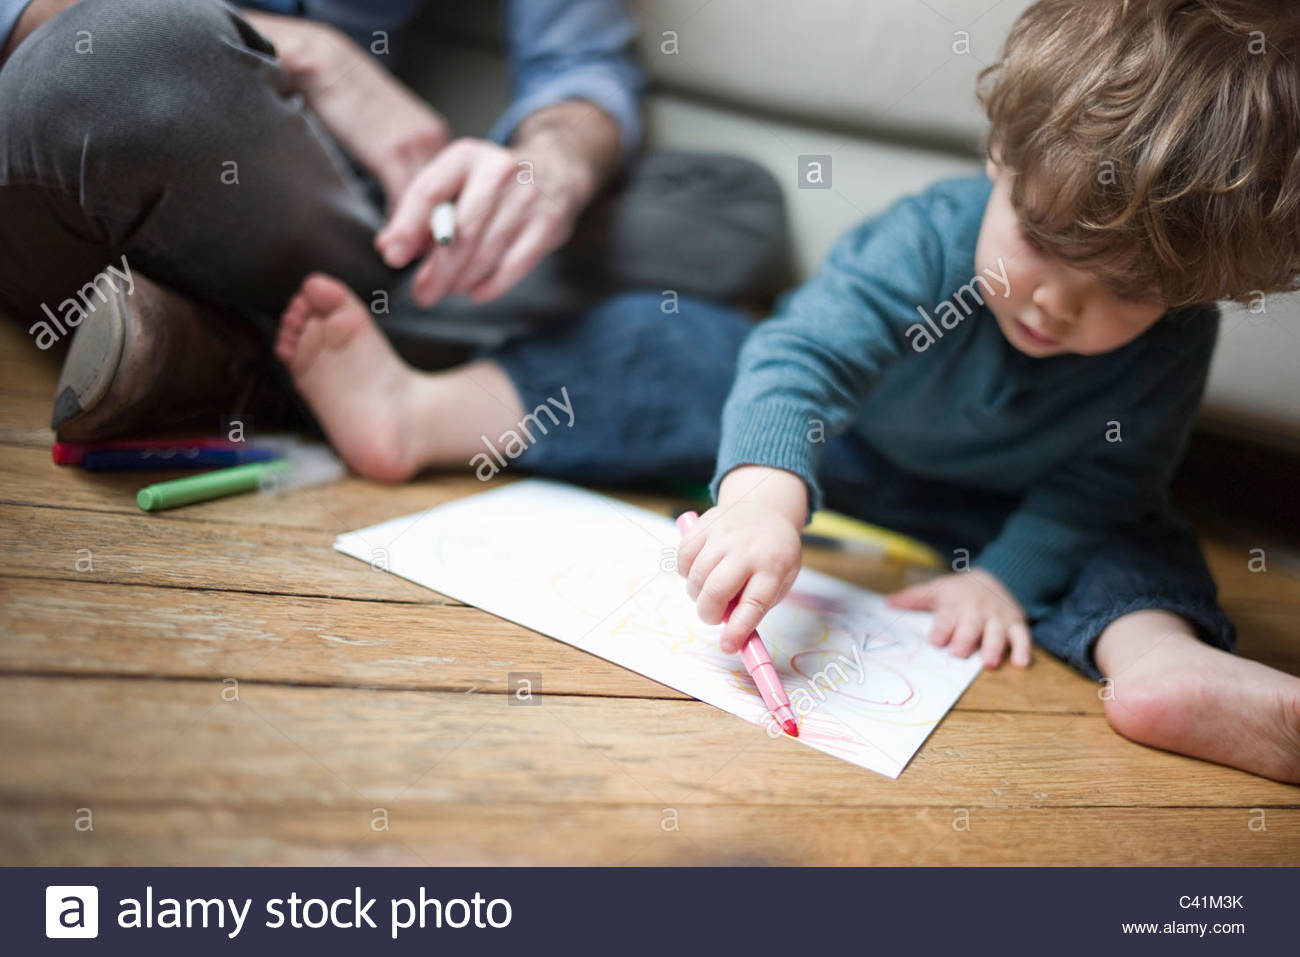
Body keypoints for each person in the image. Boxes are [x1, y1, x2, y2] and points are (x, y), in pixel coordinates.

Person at [269, 0, 1300, 781]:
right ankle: (416, 414)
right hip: (834, 448)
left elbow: (1101, 485)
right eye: (1033, 239)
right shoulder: (930, 238)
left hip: (998, 516)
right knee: (664, 343)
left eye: (1123, 291)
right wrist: (764, 495)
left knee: (1138, 538)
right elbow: (802, 361)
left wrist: (1007, 579)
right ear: (1000, 157)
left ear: (1198, 290)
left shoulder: (1176, 338)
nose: (1054, 303)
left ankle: (1159, 662)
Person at [0, 0, 787, 438]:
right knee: (111, 64)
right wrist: (312, 53)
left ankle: (237, 355)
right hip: (123, 130)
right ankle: (306, 364)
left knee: (733, 205)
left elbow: (580, 66)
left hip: (345, 213)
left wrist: (551, 165)